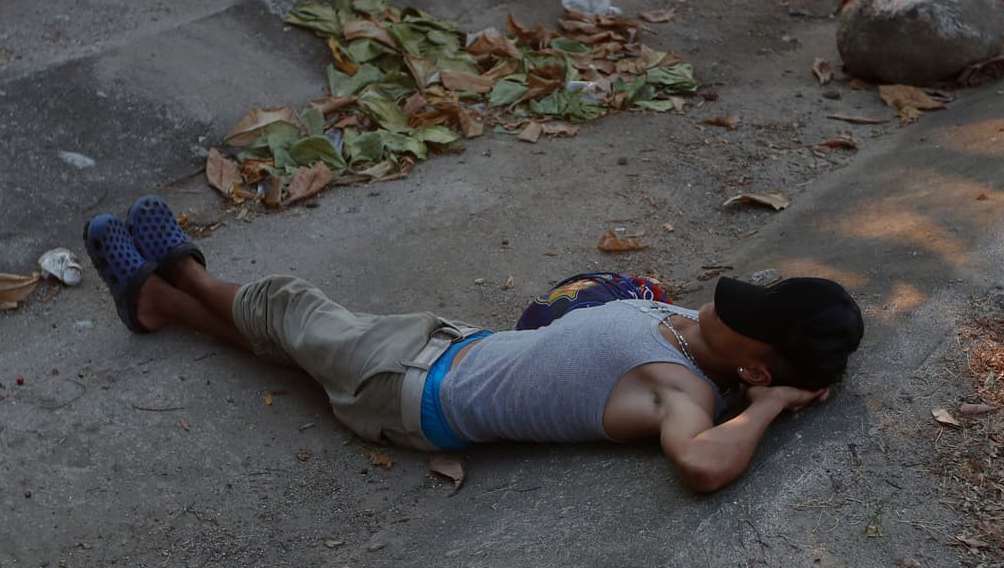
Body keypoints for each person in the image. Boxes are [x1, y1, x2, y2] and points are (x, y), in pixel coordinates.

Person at [85, 196, 865, 494]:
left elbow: (700, 463)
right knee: (299, 345)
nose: (726, 303)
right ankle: (161, 305)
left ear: (753, 365)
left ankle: (184, 270)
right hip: (447, 345)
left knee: (293, 307)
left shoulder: (680, 392)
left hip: (408, 387)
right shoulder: (697, 334)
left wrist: (770, 405)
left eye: (747, 316)